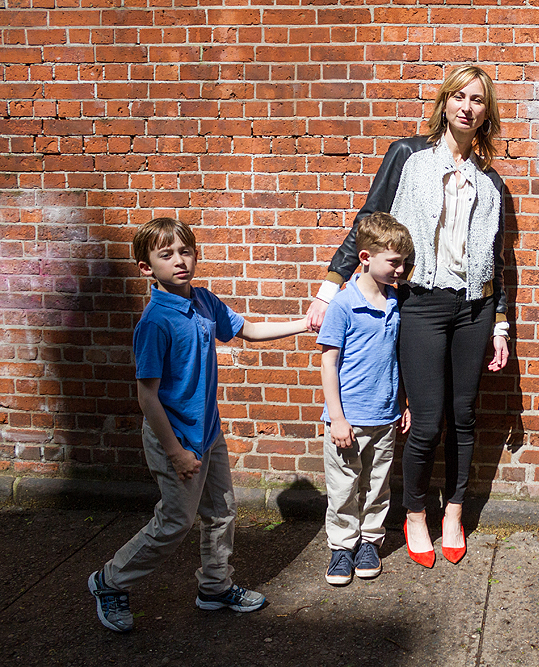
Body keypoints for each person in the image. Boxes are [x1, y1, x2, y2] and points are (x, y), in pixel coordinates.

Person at [305, 65, 509, 568]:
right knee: (425, 421)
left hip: (475, 307)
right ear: (444, 103)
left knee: (464, 417)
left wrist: (500, 321)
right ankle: (414, 513)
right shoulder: (408, 155)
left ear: (487, 113)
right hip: (420, 302)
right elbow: (367, 223)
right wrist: (330, 289)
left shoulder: (490, 180)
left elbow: (498, 258)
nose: (467, 106)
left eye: (477, 100)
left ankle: (454, 513)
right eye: (458, 96)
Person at [88, 217, 308, 632]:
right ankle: (110, 580)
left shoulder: (204, 301)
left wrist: (306, 324)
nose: (179, 261)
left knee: (222, 512)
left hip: (207, 431)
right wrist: (175, 451)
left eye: (185, 251)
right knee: (175, 522)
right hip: (174, 438)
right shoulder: (155, 322)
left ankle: (214, 587)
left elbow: (251, 330)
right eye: (166, 254)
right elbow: (147, 395)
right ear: (146, 267)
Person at [318, 213, 414, 586]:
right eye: (393, 262)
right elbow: (329, 363)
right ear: (365, 258)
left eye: (404, 262)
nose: (400, 269)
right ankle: (342, 547)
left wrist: (401, 401)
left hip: (385, 415)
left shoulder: (394, 302)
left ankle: (370, 541)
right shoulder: (344, 305)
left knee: (378, 484)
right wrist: (337, 418)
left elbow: (395, 360)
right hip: (349, 419)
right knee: (343, 487)